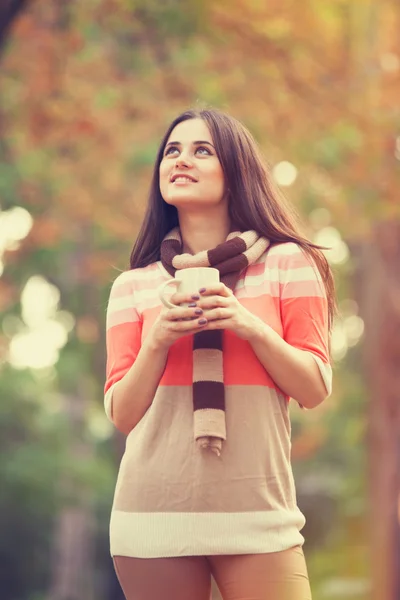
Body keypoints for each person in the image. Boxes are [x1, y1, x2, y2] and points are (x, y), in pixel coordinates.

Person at [104, 108, 335, 600]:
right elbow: (122, 414)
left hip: (260, 516)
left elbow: (314, 387)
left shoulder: (288, 264)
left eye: (201, 150)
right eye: (172, 151)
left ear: (237, 170)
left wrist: (248, 326)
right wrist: (158, 341)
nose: (181, 160)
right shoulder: (133, 286)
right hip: (150, 521)